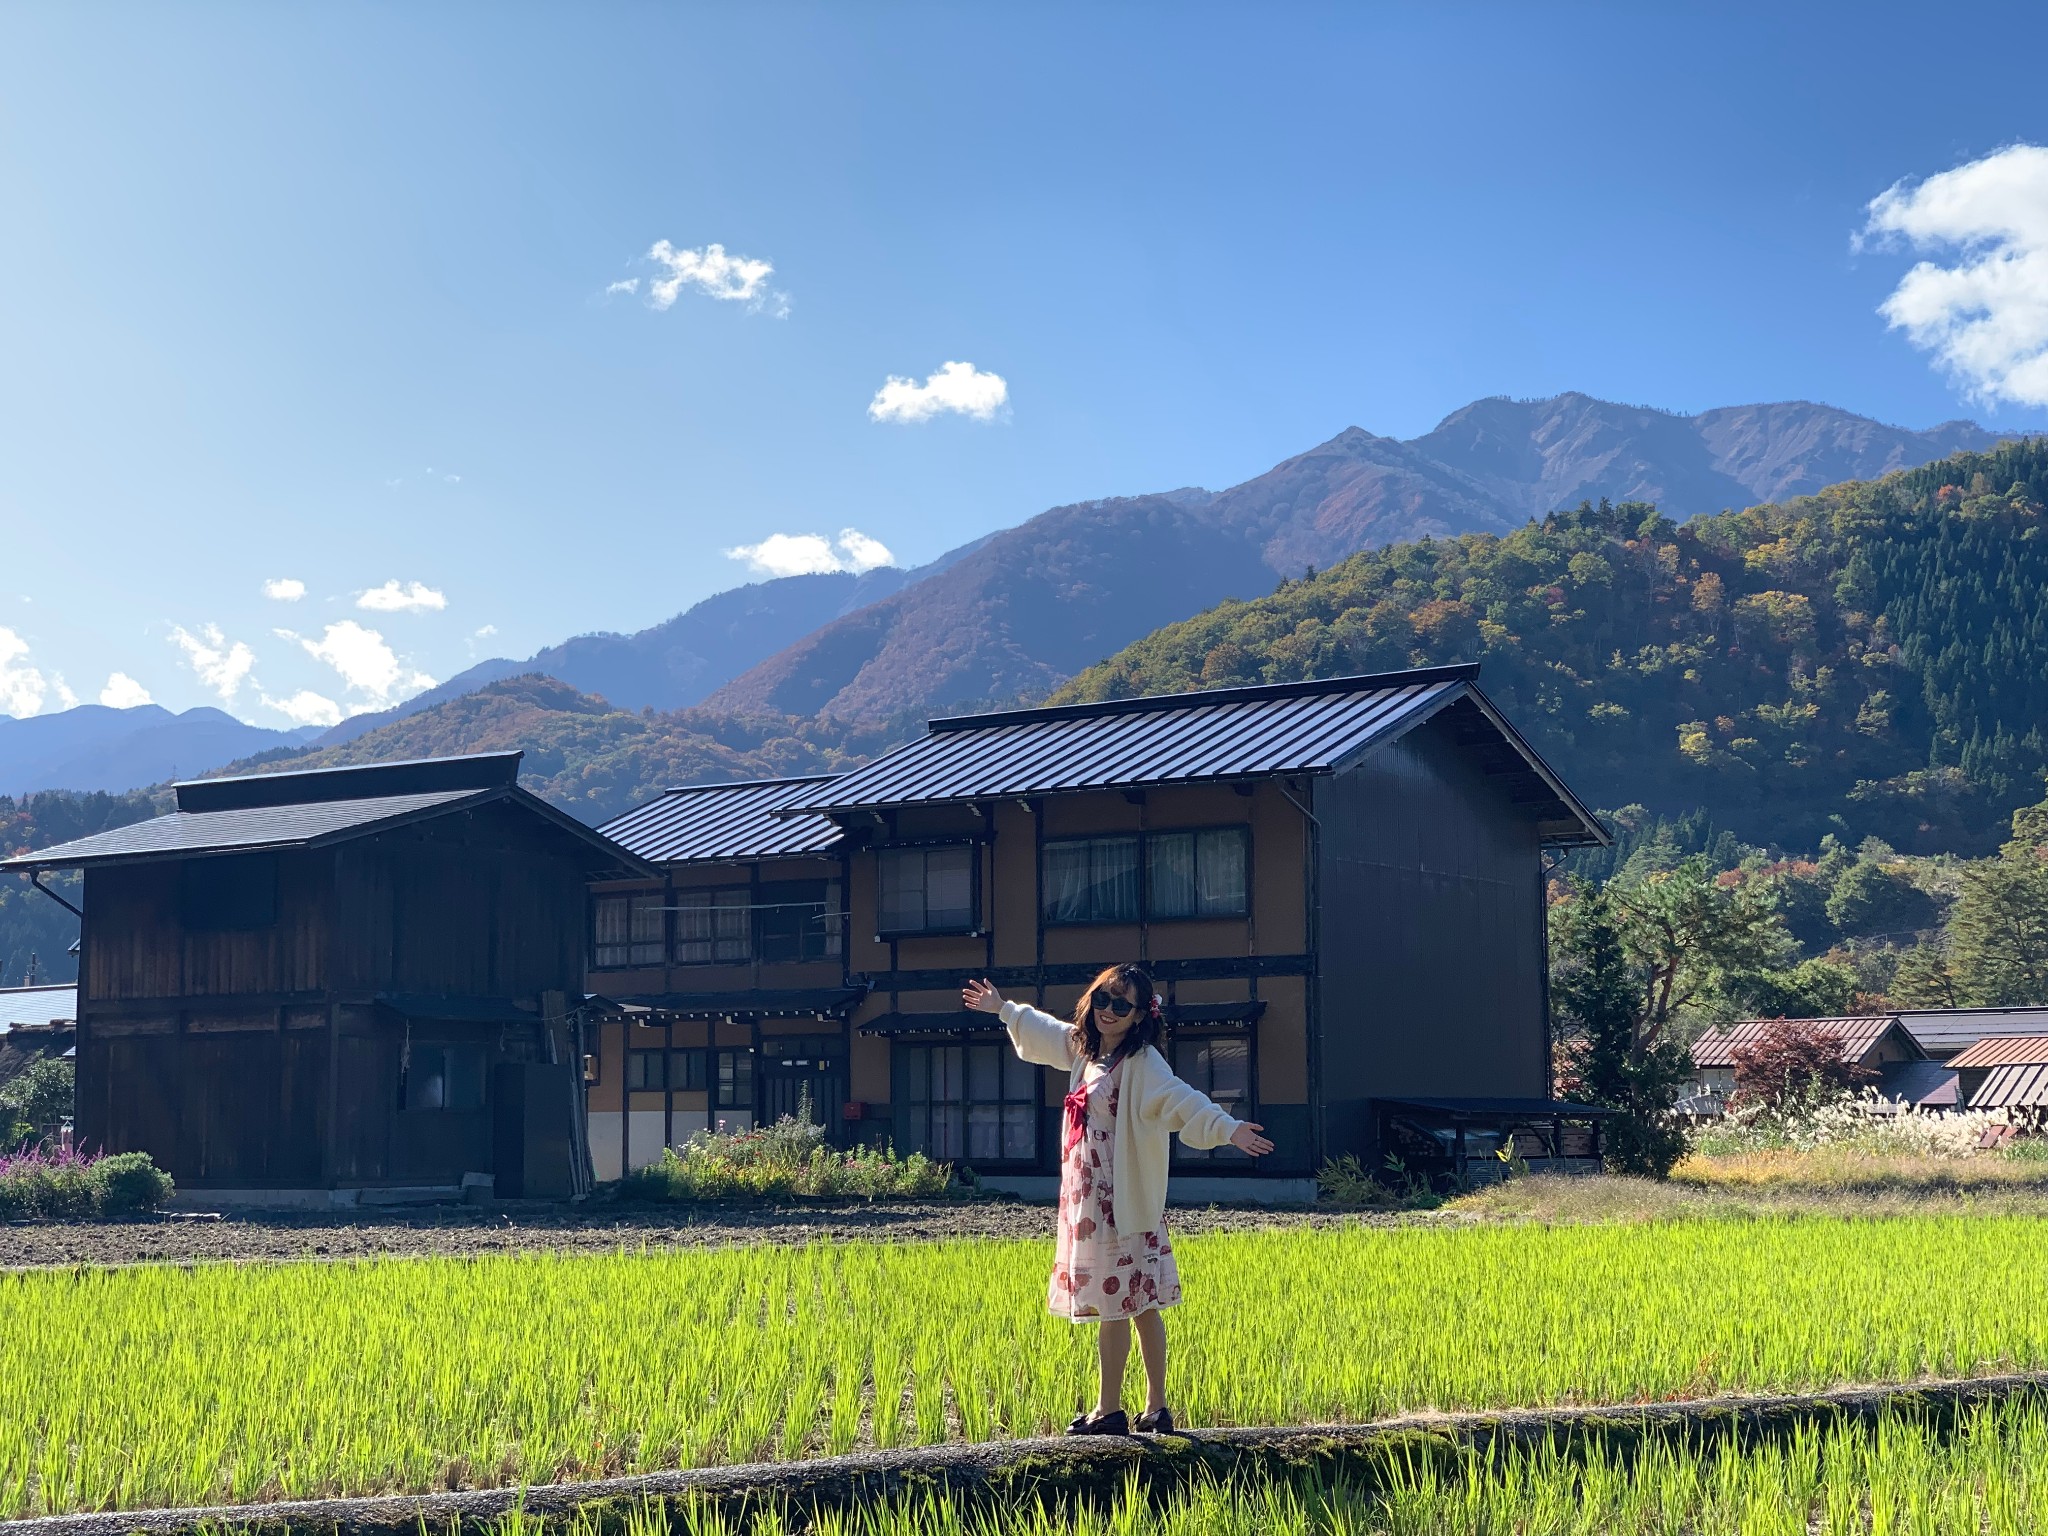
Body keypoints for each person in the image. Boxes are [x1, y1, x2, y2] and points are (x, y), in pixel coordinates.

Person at [961, 965, 1274, 1436]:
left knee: (1122, 1304)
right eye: (1103, 999)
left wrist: (1227, 1128)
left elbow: (1180, 1099)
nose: (1108, 1011)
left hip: (1118, 1199)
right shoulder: (1086, 1052)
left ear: (1139, 1016)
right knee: (1141, 1302)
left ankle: (1110, 1411)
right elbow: (1049, 1032)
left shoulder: (1143, 1062)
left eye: (1121, 1005)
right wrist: (1003, 1008)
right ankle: (1156, 1410)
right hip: (1091, 1197)